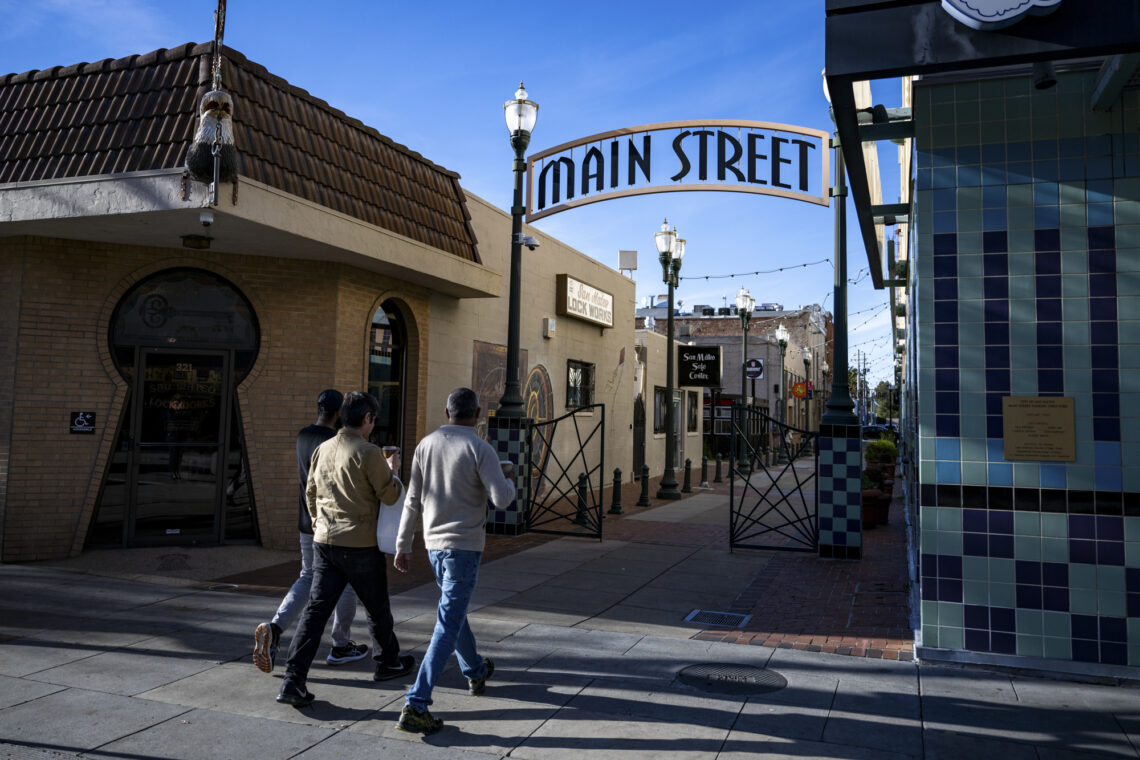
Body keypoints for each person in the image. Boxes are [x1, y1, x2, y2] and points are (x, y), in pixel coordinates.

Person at [275, 391, 414, 707]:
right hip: (360, 544)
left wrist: (319, 524)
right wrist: (392, 468)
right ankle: (387, 661)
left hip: (325, 541)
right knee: (377, 607)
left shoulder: (322, 448)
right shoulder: (369, 452)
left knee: (315, 612)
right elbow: (390, 495)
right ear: (367, 419)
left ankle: (292, 680)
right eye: (372, 420)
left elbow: (310, 493)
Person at [392, 387, 517, 734]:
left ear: (447, 413)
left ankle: (475, 671)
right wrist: (510, 478)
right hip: (464, 547)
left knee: (454, 614)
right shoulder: (480, 448)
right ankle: (416, 703)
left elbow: (412, 500)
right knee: (448, 622)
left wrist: (403, 544)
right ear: (477, 414)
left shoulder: (425, 445)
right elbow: (501, 500)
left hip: (434, 547)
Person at [253, 389, 369, 674]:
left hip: (306, 521)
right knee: (347, 583)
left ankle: (276, 627)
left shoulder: (303, 436)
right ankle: (340, 645)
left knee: (307, 576)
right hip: (334, 524)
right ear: (340, 413)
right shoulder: (337, 441)